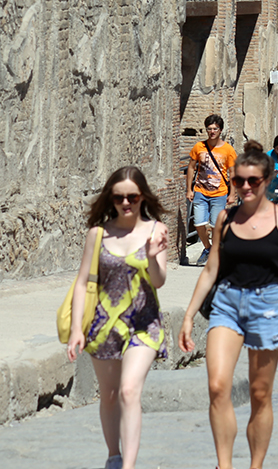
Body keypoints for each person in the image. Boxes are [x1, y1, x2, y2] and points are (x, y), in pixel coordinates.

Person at [179, 141, 278, 469]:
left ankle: (256, 465)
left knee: (259, 394)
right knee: (217, 386)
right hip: (226, 303)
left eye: (253, 181)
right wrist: (187, 316)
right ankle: (223, 465)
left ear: (267, 180)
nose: (245, 187)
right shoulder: (226, 218)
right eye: (239, 180)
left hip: (267, 305)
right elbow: (212, 268)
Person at [67, 166, 169, 469]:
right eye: (119, 197)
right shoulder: (97, 234)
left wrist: (152, 255)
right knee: (109, 395)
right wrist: (76, 329)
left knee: (128, 390)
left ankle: (129, 466)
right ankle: (114, 455)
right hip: (104, 325)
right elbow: (84, 282)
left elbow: (159, 280)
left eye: (132, 197)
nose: (126, 203)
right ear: (110, 199)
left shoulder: (156, 230)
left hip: (144, 323)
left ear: (142, 197)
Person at [186, 114, 237, 265]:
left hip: (219, 192)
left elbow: (233, 173)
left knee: (215, 226)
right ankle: (208, 248)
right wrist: (189, 189)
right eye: (209, 129)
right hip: (200, 190)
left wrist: (232, 193)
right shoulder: (199, 147)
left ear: (220, 130)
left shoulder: (228, 149)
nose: (212, 131)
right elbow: (190, 168)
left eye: (215, 129)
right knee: (199, 224)